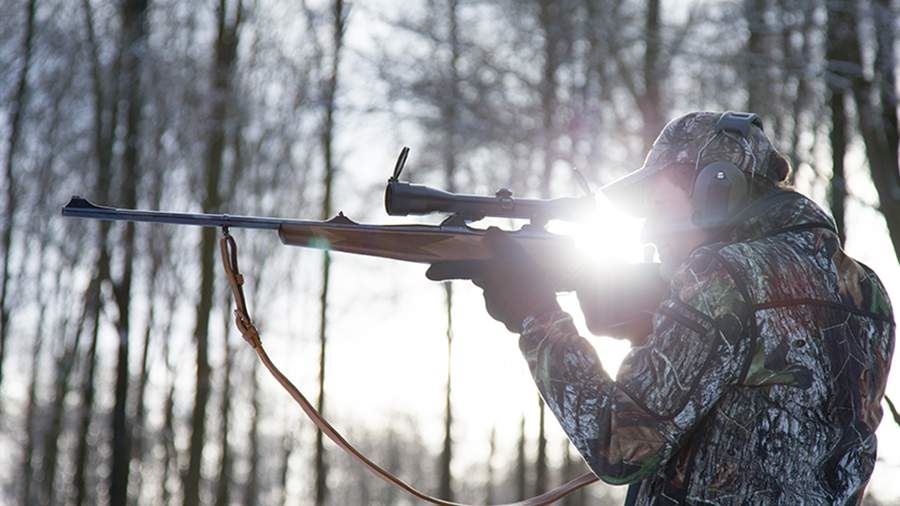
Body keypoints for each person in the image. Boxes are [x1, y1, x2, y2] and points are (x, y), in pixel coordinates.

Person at [427, 111, 896, 504]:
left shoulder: (723, 276)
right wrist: (650, 327)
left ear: (718, 191)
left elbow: (620, 444)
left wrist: (535, 314)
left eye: (658, 205)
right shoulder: (866, 289)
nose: (649, 229)